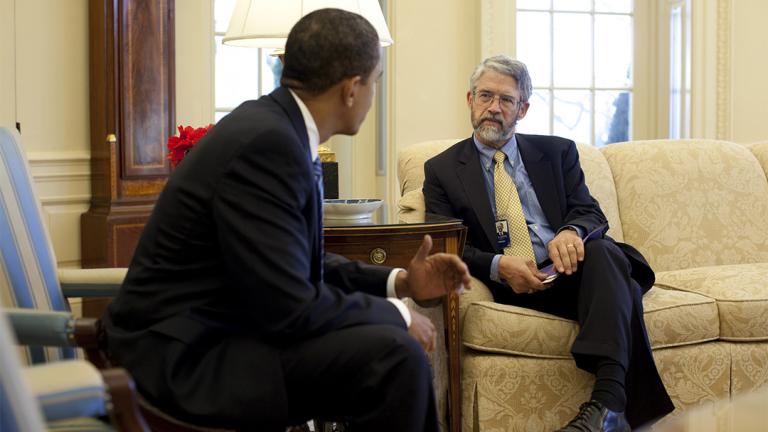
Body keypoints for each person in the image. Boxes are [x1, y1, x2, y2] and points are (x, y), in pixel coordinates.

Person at [102, 9, 470, 432]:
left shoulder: (276, 126)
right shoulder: (271, 144)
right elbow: (290, 307)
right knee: (393, 357)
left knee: (387, 351)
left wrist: (399, 283)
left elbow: (293, 264)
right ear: (352, 89)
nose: (373, 93)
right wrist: (399, 315)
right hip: (186, 360)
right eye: (375, 81)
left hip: (218, 333)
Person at [422, 55, 673, 431]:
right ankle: (615, 408)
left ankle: (604, 404)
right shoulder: (441, 169)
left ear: (522, 108)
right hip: (510, 281)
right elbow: (447, 245)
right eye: (485, 95)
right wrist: (497, 266)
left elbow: (590, 213)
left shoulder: (557, 153)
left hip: (570, 274)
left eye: (506, 100)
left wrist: (571, 234)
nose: (494, 107)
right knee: (622, 282)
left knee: (603, 251)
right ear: (469, 99)